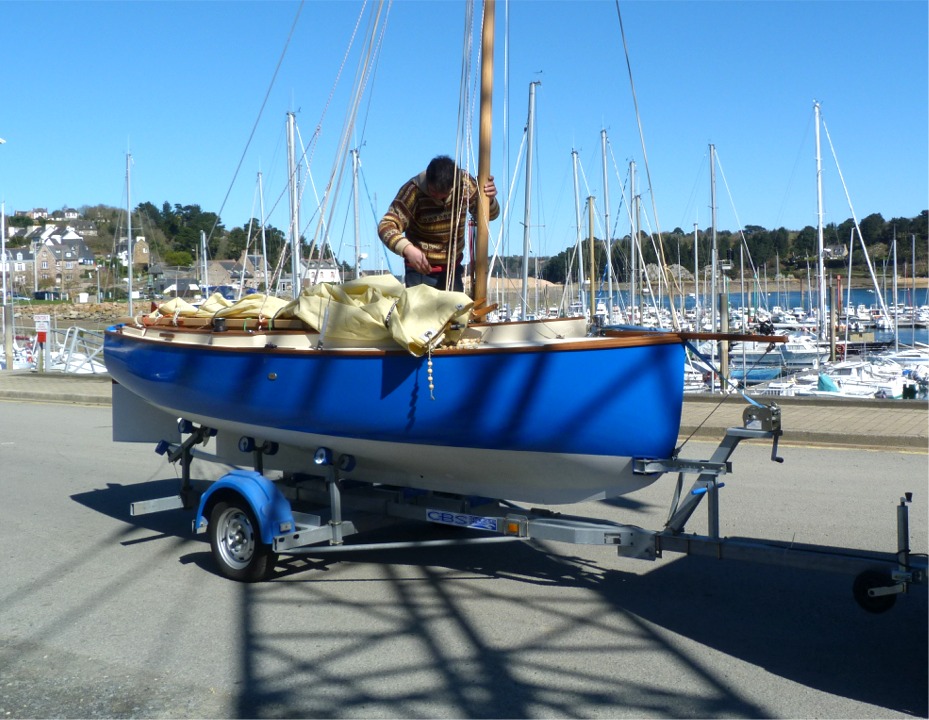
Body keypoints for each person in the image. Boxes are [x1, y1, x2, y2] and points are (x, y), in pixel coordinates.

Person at [378, 155, 499, 292]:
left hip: (452, 269)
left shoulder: (465, 184)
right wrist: (407, 249)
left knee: (456, 312)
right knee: (419, 313)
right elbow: (386, 225)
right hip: (419, 271)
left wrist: (489, 200)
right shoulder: (412, 191)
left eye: (444, 194)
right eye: (433, 192)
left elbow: (490, 216)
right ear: (428, 180)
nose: (438, 197)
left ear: (452, 186)